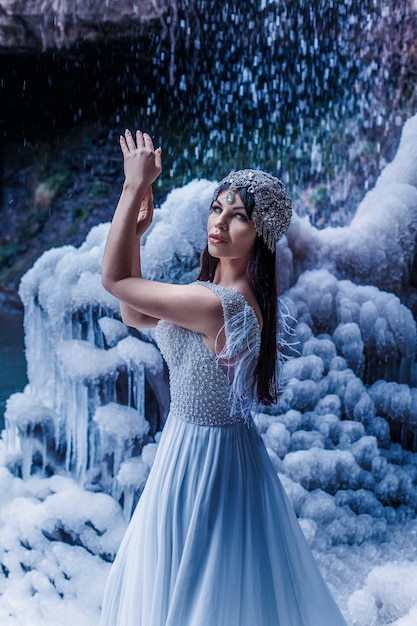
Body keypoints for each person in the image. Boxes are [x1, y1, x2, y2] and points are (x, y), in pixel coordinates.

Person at [99, 129, 347, 626]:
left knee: (195, 586)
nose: (220, 223)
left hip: (202, 457)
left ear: (261, 236)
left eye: (239, 217)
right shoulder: (209, 293)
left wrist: (131, 191)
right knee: (188, 581)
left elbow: (113, 282)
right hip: (199, 448)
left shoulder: (218, 305)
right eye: (217, 208)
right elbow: (134, 314)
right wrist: (138, 233)